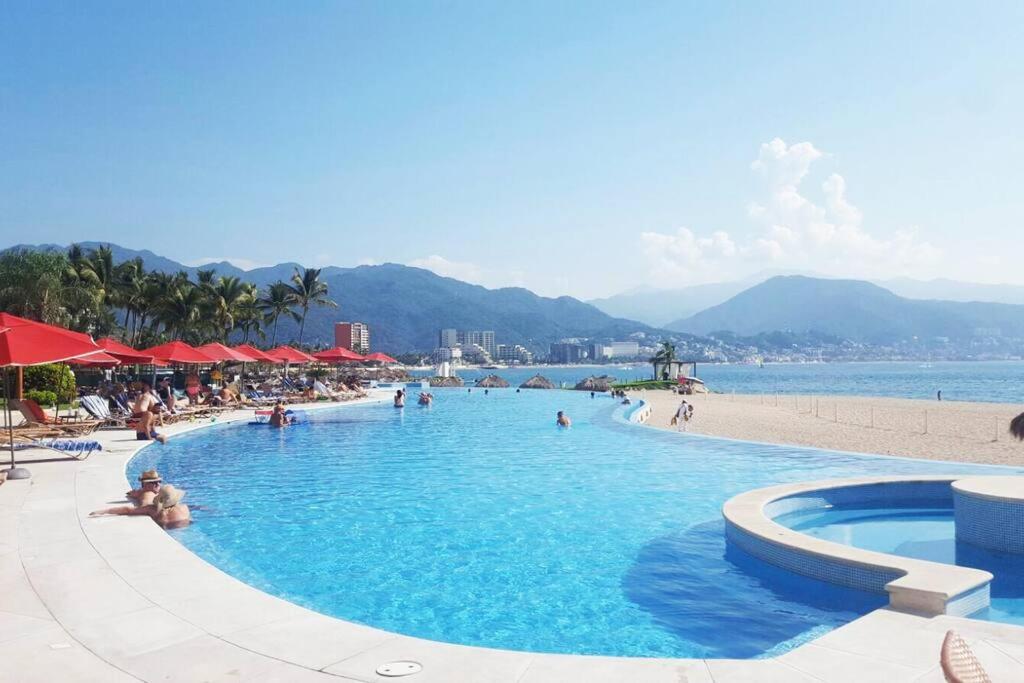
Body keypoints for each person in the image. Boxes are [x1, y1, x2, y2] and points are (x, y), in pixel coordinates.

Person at [91, 484, 191, 528]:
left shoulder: (152, 509)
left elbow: (127, 510)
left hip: (162, 526)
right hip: (180, 527)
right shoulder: (184, 508)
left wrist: (103, 511)